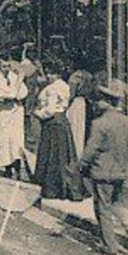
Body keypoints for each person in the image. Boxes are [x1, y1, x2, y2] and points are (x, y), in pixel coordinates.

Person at [78, 79, 128, 255]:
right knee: (114, 204)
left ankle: (110, 245)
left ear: (107, 102)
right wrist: (126, 166)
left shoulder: (99, 123)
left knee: (103, 209)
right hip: (120, 172)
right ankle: (125, 230)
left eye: (100, 100)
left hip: (102, 172)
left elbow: (91, 149)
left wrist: (82, 165)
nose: (97, 104)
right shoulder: (127, 122)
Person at [32, 64, 85, 201]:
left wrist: (38, 113)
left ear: (55, 75)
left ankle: (53, 189)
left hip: (53, 122)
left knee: (52, 155)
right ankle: (67, 187)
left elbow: (50, 109)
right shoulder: (64, 86)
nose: (48, 76)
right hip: (62, 121)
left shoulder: (53, 88)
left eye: (50, 74)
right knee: (64, 155)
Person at [0, 55, 29, 179]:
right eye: (3, 66)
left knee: (16, 140)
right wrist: (19, 82)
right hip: (3, 112)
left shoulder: (12, 75)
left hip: (17, 111)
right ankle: (7, 169)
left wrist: (15, 90)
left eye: (8, 66)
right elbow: (10, 94)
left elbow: (23, 93)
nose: (6, 69)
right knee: (4, 140)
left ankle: (18, 170)